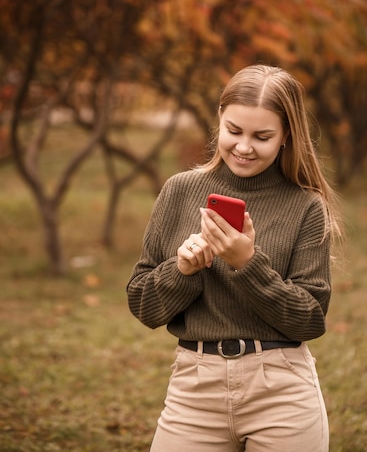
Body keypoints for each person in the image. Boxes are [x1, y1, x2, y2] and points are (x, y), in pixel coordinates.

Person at [127, 64, 341, 452]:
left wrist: (248, 264)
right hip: (195, 386)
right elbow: (143, 305)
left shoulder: (306, 206)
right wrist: (183, 271)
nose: (243, 147)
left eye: (262, 136)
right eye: (233, 131)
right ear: (219, 123)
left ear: (286, 137)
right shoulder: (178, 191)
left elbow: (310, 319)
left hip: (280, 389)